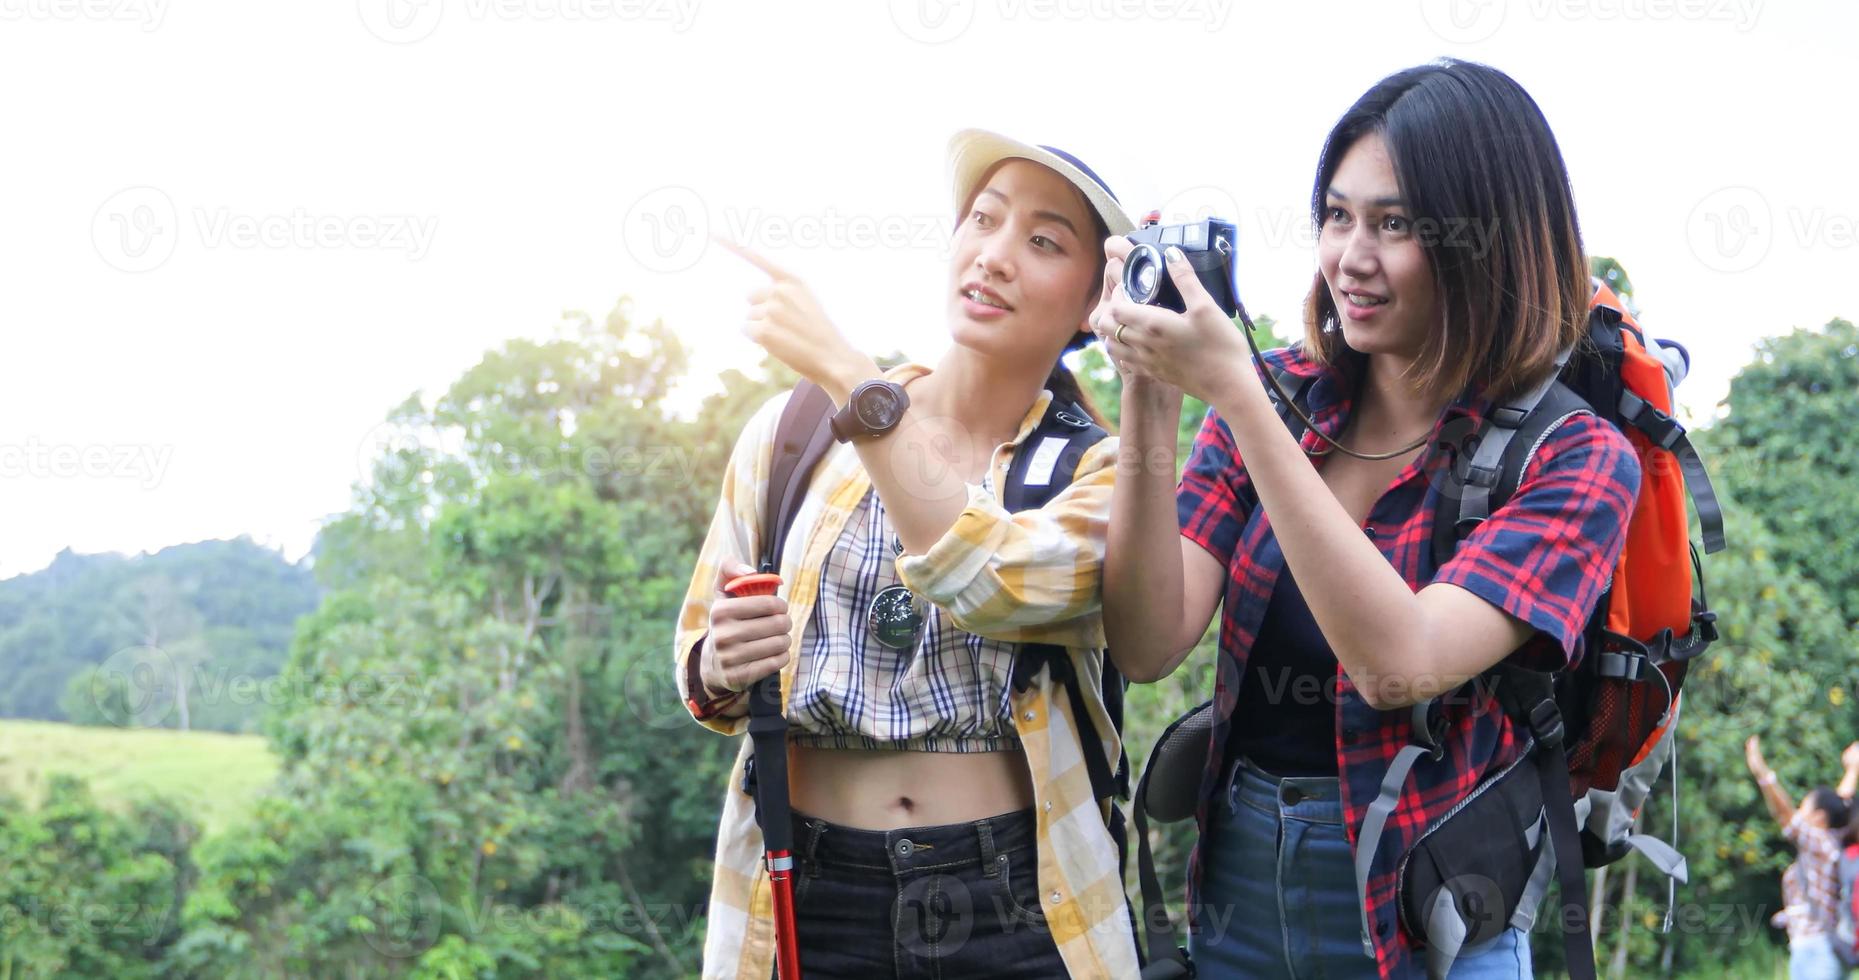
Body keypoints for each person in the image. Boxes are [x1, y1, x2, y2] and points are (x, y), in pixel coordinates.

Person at [1096, 59, 1641, 977]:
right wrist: (1148, 392)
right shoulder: (1284, 396)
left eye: (1395, 224)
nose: (1351, 256)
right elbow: (1147, 642)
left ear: (1491, 243)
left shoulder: (1572, 459)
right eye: (1337, 216)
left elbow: (1399, 664)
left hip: (1426, 927)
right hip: (1236, 902)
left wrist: (1235, 396)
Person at [674, 130, 1142, 978]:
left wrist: (855, 380)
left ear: (1092, 302)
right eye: (983, 221)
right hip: (805, 886)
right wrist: (719, 664)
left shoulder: (1101, 472)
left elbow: (987, 581)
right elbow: (701, 660)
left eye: (1042, 242)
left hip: (1014, 895)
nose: (995, 255)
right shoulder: (792, 436)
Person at [1748, 735, 1851, 980]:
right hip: (1813, 950)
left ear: (1819, 817)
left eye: (1804, 807)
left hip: (1817, 951)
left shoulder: (1819, 842)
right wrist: (1853, 770)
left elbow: (1784, 814)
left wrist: (1762, 772)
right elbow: (1841, 802)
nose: (1799, 813)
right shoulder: (1830, 844)